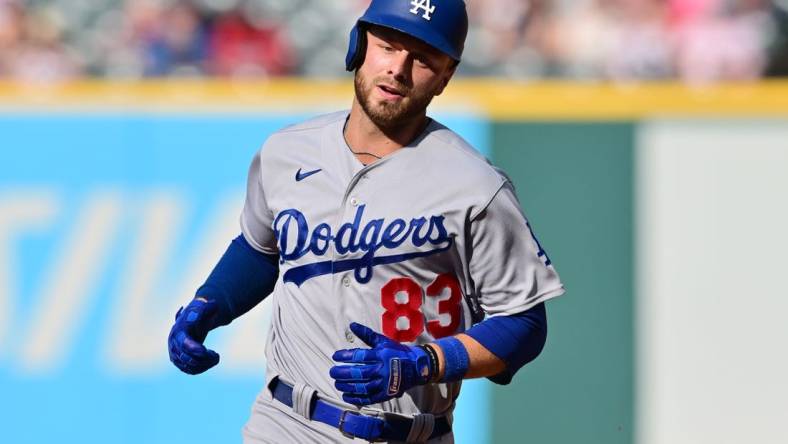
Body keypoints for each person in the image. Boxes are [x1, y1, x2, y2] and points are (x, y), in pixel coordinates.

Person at [167, 1, 564, 442]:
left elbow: (524, 322)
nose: (399, 69)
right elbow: (262, 248)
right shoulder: (287, 152)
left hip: (412, 432)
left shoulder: (475, 186)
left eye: (423, 59)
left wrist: (426, 363)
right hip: (286, 423)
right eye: (388, 46)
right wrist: (210, 303)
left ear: (446, 75)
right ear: (359, 44)